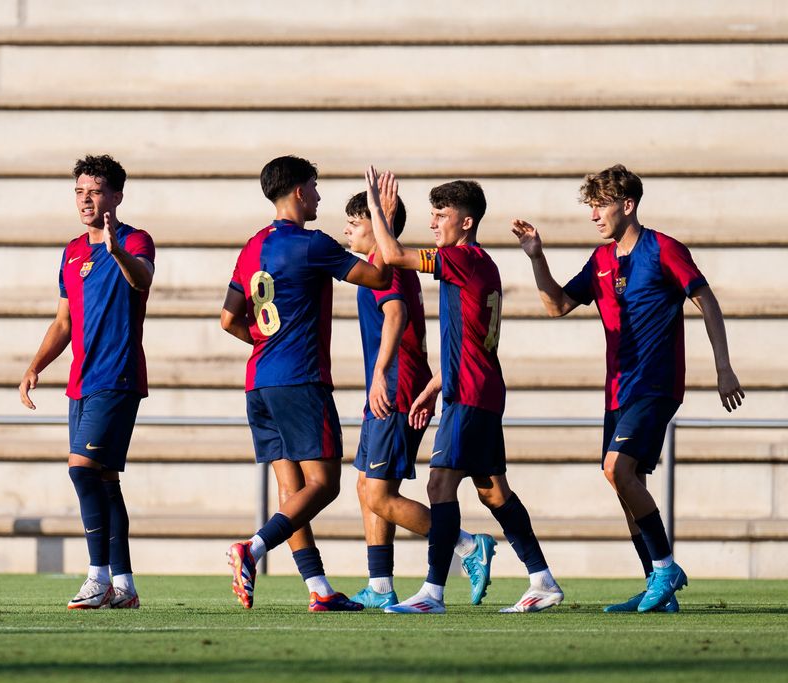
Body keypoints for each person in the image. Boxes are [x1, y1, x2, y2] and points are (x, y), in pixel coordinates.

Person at [511, 164, 743, 613]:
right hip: (617, 391)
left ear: (628, 205)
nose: (594, 215)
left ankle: (665, 569)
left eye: (601, 206)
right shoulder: (599, 262)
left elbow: (706, 300)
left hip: (656, 385)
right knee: (625, 481)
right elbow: (557, 305)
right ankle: (658, 588)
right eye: (591, 206)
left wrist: (724, 367)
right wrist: (536, 256)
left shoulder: (664, 249)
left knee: (617, 468)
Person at [366, 167, 563, 614]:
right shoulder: (480, 265)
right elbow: (470, 337)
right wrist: (437, 384)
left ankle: (433, 593)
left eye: (441, 214)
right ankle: (542, 579)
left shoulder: (463, 259)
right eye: (432, 214)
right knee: (493, 492)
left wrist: (380, 208)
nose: (433, 223)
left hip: (472, 395)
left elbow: (393, 255)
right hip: (478, 388)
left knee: (439, 483)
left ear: (466, 221)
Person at [221, 155, 400, 612]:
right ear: (299, 191)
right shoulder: (310, 244)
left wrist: (265, 342)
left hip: (259, 381)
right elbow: (379, 274)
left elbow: (228, 319)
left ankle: (318, 588)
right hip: (300, 378)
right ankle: (254, 549)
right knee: (324, 483)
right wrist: (382, 217)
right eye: (315, 187)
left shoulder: (251, 246)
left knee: (291, 490)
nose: (319, 196)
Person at [342, 191, 496, 610]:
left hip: (395, 389)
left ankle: (466, 545)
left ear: (377, 227)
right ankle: (379, 585)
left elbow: (396, 315)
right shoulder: (381, 267)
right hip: (394, 386)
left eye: (354, 224)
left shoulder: (388, 270)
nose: (347, 231)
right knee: (366, 485)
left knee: (377, 495)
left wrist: (379, 376)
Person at [19, 155, 154, 609]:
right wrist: (36, 364)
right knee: (105, 481)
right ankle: (125, 586)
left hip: (116, 376)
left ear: (116, 195)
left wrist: (116, 251)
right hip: (80, 381)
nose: (85, 200)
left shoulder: (135, 241)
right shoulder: (72, 250)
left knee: (81, 470)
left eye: (94, 191)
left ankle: (96, 577)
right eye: (80, 191)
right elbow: (63, 321)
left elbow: (143, 280)